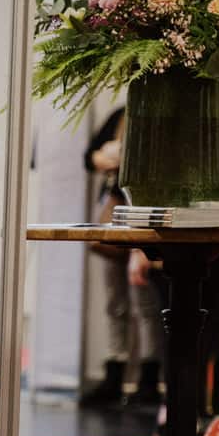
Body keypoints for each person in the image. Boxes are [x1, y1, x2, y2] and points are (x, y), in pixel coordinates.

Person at [83, 106, 164, 411]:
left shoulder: (157, 112)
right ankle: (115, 371)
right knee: (115, 299)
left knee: (144, 300)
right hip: (114, 212)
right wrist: (105, 158)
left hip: (141, 214)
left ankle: (148, 374)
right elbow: (89, 155)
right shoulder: (121, 114)